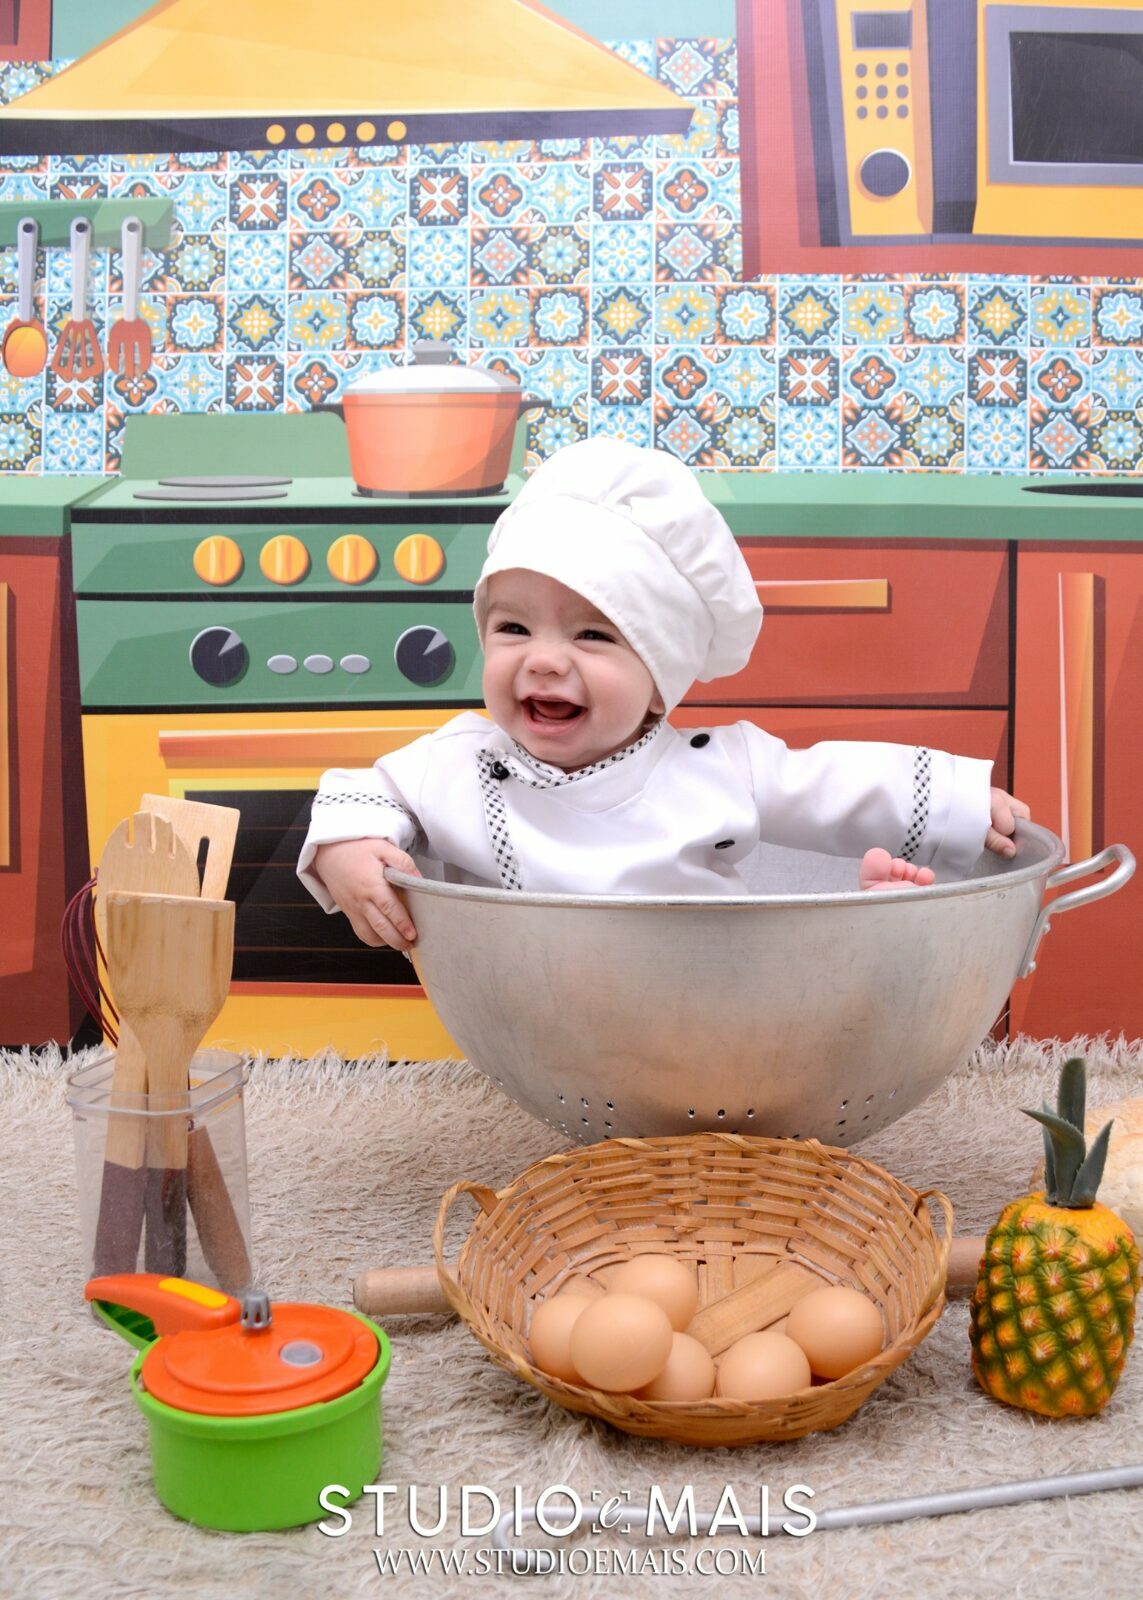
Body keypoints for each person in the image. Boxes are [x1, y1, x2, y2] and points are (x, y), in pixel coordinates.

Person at [298, 440, 1029, 951]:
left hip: (709, 992)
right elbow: (365, 794)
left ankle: (870, 927)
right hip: (528, 1009)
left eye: (593, 635)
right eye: (513, 627)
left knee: (794, 976)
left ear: (660, 683)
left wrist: (964, 802)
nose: (542, 660)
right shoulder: (456, 760)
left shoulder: (714, 767)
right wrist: (346, 850)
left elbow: (832, 783)